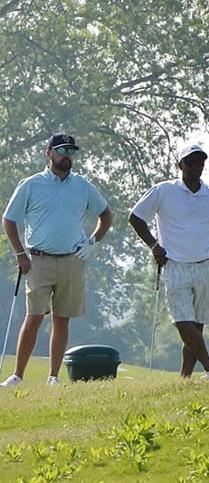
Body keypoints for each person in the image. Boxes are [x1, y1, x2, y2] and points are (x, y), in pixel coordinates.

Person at [1, 133, 113, 387]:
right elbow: (9, 220)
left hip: (72, 260)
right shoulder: (31, 184)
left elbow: (106, 215)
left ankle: (53, 377)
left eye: (71, 152)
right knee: (34, 316)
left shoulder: (83, 186)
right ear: (49, 153)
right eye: (62, 151)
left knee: (62, 319)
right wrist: (20, 254)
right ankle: (18, 375)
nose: (67, 156)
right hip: (38, 261)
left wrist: (93, 241)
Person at [128, 143, 209, 380]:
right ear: (180, 165)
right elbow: (136, 217)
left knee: (197, 325)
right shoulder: (164, 191)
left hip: (205, 265)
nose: (196, 166)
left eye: (200, 162)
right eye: (190, 162)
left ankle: (185, 378)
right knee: (182, 321)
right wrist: (154, 245)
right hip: (175, 264)